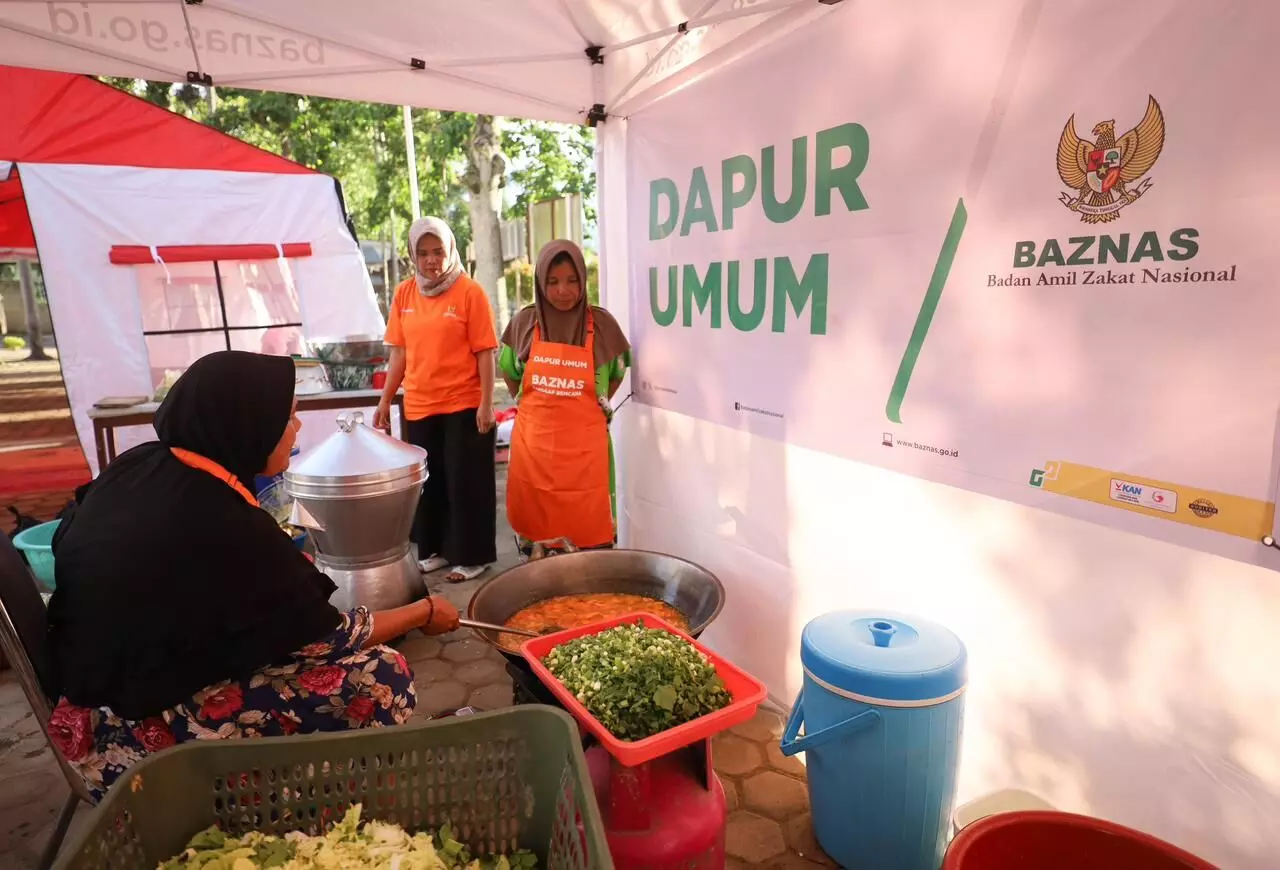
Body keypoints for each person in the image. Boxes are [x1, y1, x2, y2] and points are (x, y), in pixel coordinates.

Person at [45, 351, 459, 801]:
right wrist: (424, 610)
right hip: (129, 740)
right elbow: (324, 641)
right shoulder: (222, 521)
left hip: (91, 696)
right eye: (289, 417)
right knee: (380, 675)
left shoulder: (142, 464)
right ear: (246, 424)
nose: (297, 429)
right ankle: (313, 798)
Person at [375, 217, 498, 582]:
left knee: (467, 483)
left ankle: (473, 556)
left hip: (465, 405)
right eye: (424, 253)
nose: (432, 260)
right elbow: (399, 353)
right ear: (413, 254)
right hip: (420, 406)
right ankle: (438, 551)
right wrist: (385, 401)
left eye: (438, 251)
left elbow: (486, 353)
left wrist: (487, 403)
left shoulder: (469, 292)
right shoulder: (405, 294)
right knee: (431, 484)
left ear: (450, 250)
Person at [500, 240, 631, 554]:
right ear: (540, 282)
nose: (563, 290)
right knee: (538, 543)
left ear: (584, 281)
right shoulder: (524, 323)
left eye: (573, 281)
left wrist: (596, 402)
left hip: (588, 455)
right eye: (553, 281)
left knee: (590, 543)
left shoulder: (601, 324)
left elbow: (618, 370)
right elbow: (508, 370)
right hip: (535, 453)